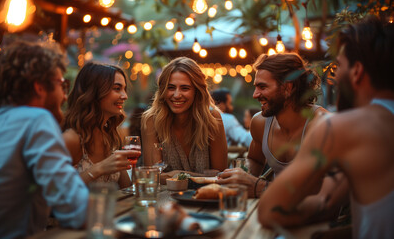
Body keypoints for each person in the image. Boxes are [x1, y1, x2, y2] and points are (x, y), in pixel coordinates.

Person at [258, 16, 394, 238]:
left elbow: (270, 210)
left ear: (357, 71)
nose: (334, 77)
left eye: (339, 66)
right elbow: (328, 201)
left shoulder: (340, 128)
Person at [0, 41, 89, 238]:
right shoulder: (36, 119)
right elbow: (76, 209)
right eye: (62, 85)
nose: (65, 97)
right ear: (39, 87)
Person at [218, 52, 329, 198]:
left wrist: (259, 187)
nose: (255, 95)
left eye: (262, 87)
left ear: (288, 88)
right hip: (273, 210)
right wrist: (243, 174)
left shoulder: (321, 125)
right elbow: (255, 159)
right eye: (256, 87)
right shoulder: (260, 123)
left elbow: (318, 192)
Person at [141, 57, 227, 178]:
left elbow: (220, 175)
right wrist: (199, 176)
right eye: (171, 88)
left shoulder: (212, 118)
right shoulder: (151, 120)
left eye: (185, 88)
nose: (176, 95)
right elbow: (152, 177)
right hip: (162, 196)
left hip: (203, 196)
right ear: (163, 90)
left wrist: (179, 175)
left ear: (197, 91)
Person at [62, 62, 139, 189]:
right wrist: (100, 168)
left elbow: (126, 189)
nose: (125, 96)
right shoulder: (72, 139)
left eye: (124, 89)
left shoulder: (109, 135)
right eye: (117, 88)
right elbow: (58, 191)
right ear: (94, 92)